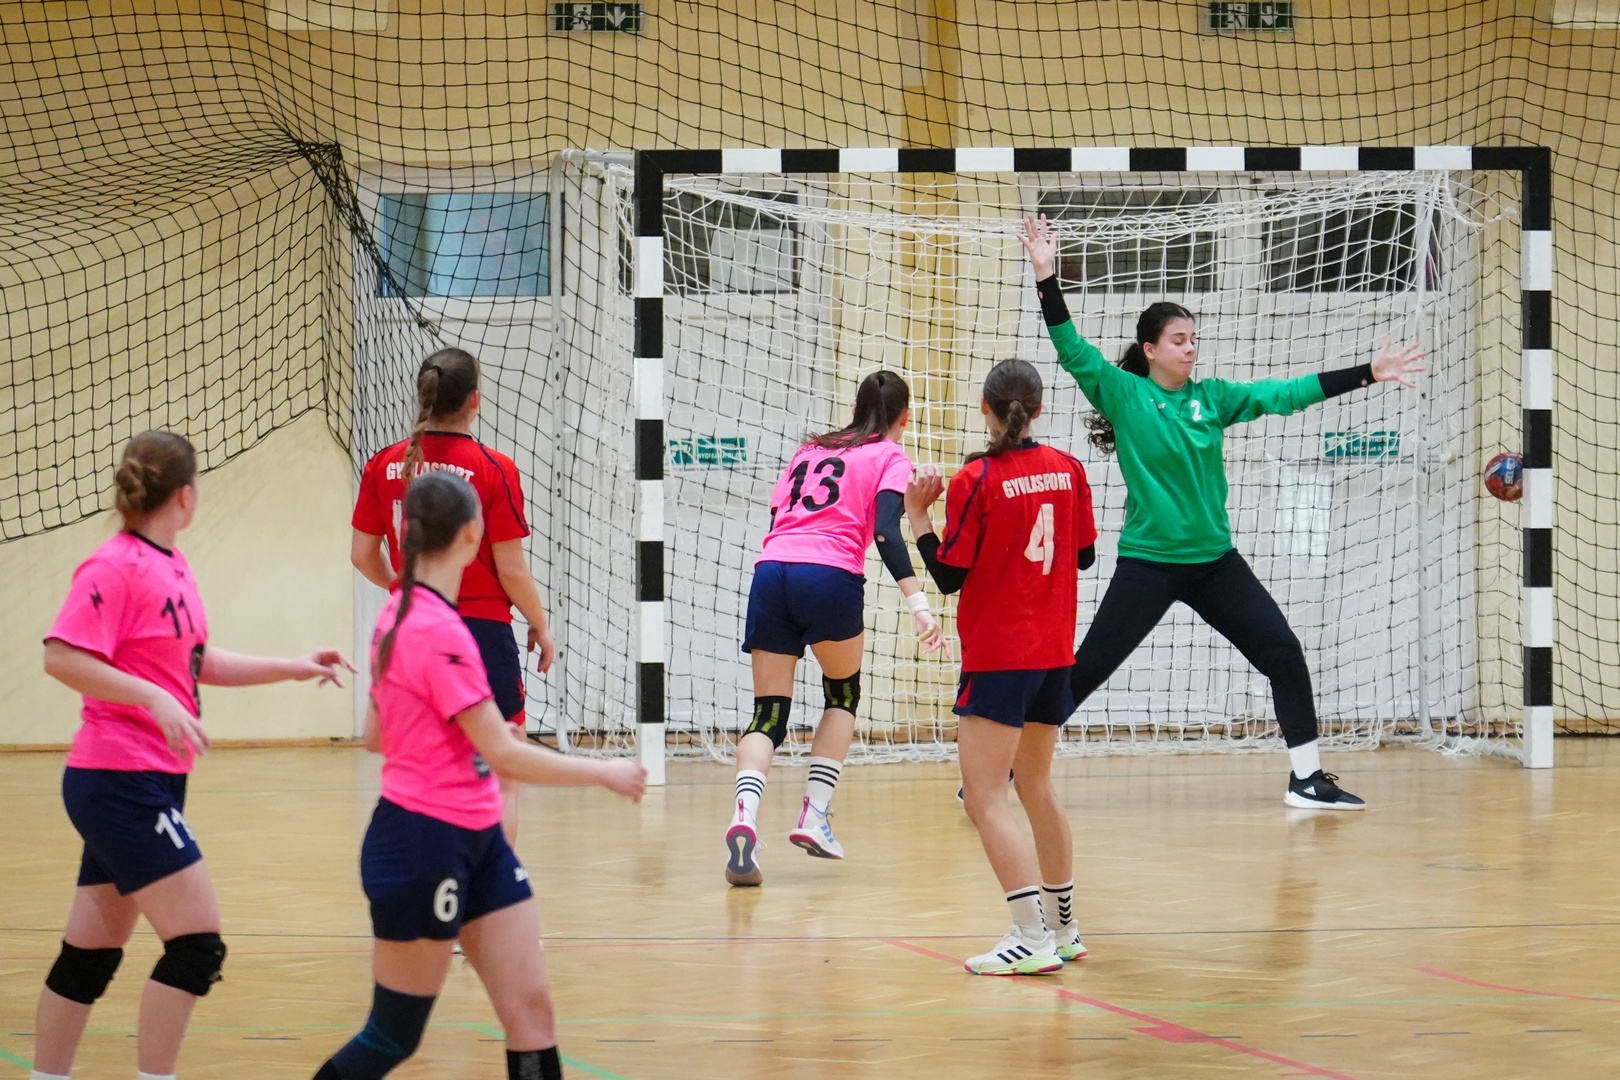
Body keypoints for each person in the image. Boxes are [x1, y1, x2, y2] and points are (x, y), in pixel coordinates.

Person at [1019, 213, 1428, 809]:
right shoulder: (1124, 393)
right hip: (1149, 565)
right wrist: (1045, 273)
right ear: (1150, 350)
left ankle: (1307, 779)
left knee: (1283, 652)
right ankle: (1008, 768)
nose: (1190, 348)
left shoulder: (1213, 399)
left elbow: (1286, 394)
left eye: (1194, 339)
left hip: (1215, 565)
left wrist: (1368, 374)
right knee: (1085, 671)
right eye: (1178, 340)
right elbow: (1069, 345)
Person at [32, 431, 352, 1080]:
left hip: (146, 779)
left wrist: (292, 666)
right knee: (197, 945)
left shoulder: (173, 563)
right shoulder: (113, 567)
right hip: (119, 780)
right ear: (185, 494)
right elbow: (61, 656)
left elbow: (195, 662)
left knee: (91, 954)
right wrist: (151, 696)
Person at [315, 472, 647, 1080]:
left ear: (403, 534)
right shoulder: (439, 631)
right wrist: (604, 772)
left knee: (532, 1013)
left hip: (480, 841)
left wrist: (454, 735)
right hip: (421, 843)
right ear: (473, 535)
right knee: (392, 1036)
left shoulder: (398, 611)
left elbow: (377, 735)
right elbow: (504, 756)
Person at [906, 359, 1098, 975]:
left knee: (985, 799)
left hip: (999, 657)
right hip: (1054, 655)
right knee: (1037, 789)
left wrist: (918, 516)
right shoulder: (1069, 469)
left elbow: (947, 576)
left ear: (985, 408)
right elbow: (1085, 556)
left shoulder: (978, 477)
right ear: (1038, 410)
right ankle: (1064, 930)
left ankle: (1030, 936)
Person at [725, 371, 945, 887]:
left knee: (768, 712)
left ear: (854, 409)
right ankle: (814, 815)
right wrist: (919, 603)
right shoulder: (890, 456)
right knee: (842, 695)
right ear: (904, 417)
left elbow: (779, 517)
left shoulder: (809, 450)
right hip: (829, 575)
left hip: (771, 571)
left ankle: (744, 815)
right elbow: (886, 532)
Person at [352, 347, 555, 846]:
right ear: (474, 400)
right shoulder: (494, 467)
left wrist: (404, 589)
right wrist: (540, 624)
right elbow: (511, 569)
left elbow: (362, 555)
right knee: (503, 769)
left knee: (419, 760)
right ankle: (493, 876)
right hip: (482, 633)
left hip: (411, 628)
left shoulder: (383, 464)